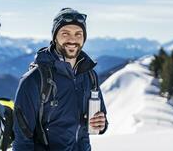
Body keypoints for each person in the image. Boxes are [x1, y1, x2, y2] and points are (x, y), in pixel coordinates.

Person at [13, 8, 108, 151]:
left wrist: (102, 124)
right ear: (55, 37)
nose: (72, 39)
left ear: (84, 38)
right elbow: (22, 140)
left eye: (78, 34)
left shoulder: (90, 76)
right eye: (65, 33)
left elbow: (100, 118)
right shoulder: (35, 79)